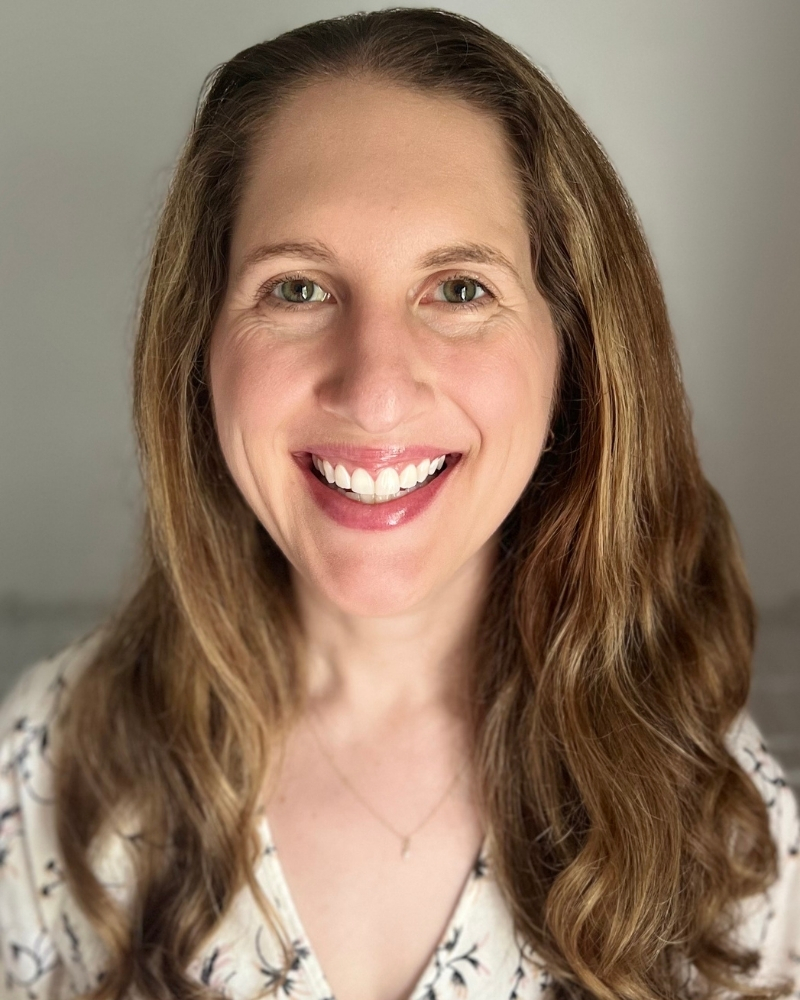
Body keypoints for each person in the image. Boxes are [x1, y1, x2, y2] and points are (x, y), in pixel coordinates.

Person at [0, 8, 798, 1000]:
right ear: (197, 351)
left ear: (573, 356)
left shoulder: (715, 813)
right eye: (295, 289)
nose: (373, 389)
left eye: (458, 288)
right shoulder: (46, 770)